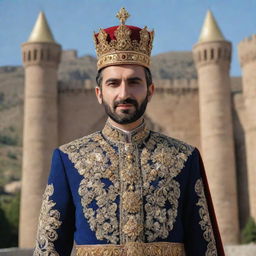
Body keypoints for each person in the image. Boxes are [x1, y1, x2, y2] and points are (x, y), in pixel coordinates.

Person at [33, 8, 225, 256]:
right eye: (113, 83)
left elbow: (204, 246)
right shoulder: (68, 158)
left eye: (134, 82)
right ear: (99, 93)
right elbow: (49, 247)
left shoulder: (184, 158)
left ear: (150, 90)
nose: (124, 94)